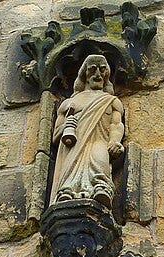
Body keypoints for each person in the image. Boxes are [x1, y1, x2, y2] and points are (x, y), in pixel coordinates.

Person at [49, 54, 125, 208]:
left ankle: (101, 190)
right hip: (73, 147)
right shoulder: (69, 103)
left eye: (102, 70)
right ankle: (67, 192)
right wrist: (65, 127)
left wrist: (115, 141)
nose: (98, 74)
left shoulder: (112, 101)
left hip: (100, 141)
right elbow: (56, 136)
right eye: (93, 69)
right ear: (85, 74)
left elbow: (116, 124)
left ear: (106, 75)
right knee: (71, 173)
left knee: (100, 161)